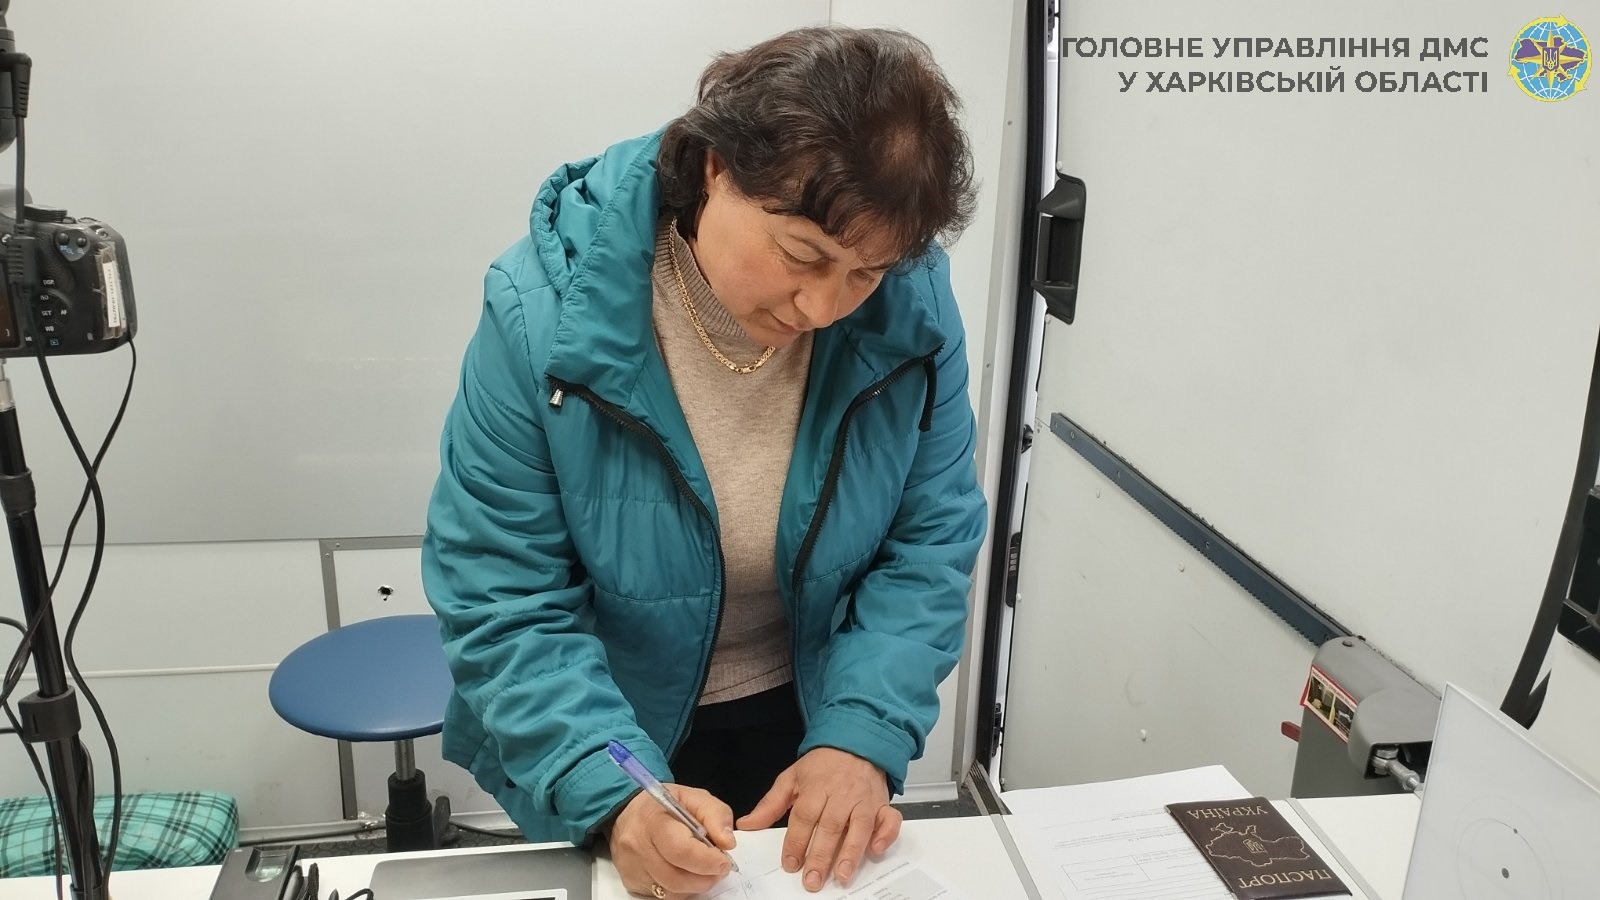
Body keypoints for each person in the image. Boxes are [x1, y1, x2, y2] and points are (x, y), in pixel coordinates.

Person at [421, 25, 986, 900]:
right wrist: (610, 791)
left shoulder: (913, 312)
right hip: (603, 719)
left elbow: (930, 542)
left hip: (812, 708)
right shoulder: (542, 318)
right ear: (717, 168)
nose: (822, 306)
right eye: (802, 256)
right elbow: (504, 596)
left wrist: (861, 733)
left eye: (864, 274)